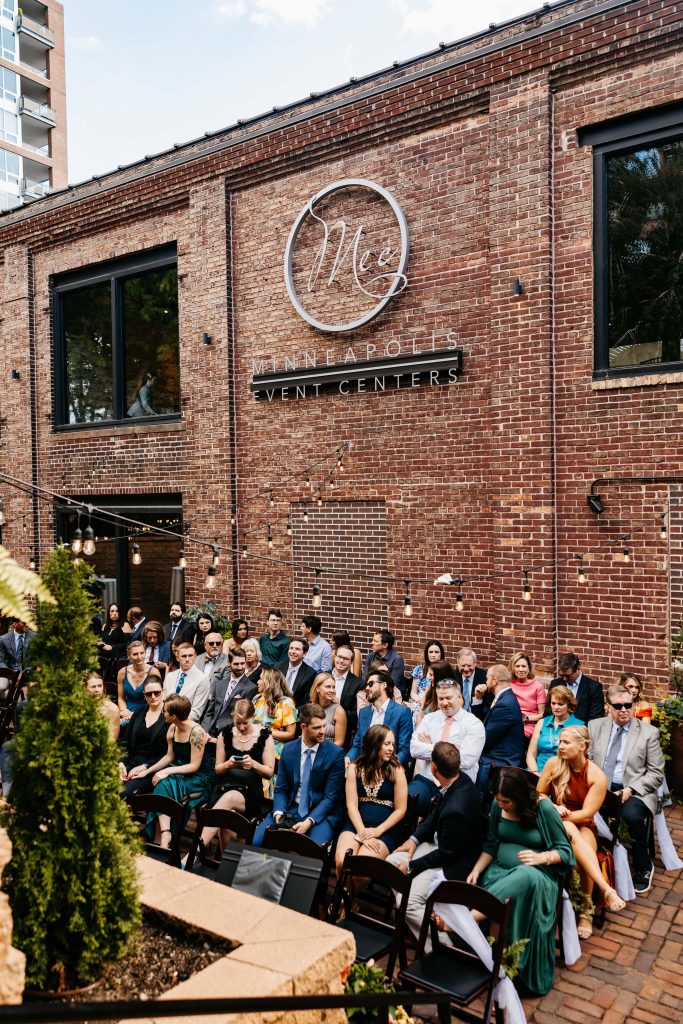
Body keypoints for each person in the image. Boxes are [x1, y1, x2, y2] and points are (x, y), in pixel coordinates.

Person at [466, 768, 575, 996]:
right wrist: (476, 869)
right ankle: (495, 964)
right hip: (499, 872)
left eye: (506, 801)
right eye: (498, 801)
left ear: (519, 796)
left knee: (523, 874)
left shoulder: (543, 809)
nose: (502, 805)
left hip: (538, 876)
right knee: (500, 885)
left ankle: (468, 918)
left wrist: (540, 858)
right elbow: (491, 844)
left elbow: (565, 852)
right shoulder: (498, 806)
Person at [388, 742, 483, 951]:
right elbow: (433, 817)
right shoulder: (460, 780)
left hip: (452, 864)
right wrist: (413, 840)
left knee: (407, 900)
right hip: (438, 848)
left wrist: (412, 866)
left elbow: (445, 855)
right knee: (391, 864)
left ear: (433, 768)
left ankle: (439, 947)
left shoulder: (458, 807)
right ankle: (413, 924)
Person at [538, 724, 626, 937]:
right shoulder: (553, 764)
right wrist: (552, 808)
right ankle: (605, 889)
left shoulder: (596, 775)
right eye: (560, 741)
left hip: (583, 824)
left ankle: (585, 913)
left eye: (566, 742)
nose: (560, 746)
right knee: (568, 828)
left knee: (583, 849)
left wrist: (560, 816)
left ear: (582, 746)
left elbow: (587, 814)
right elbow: (539, 795)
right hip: (553, 822)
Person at [588, 684, 665, 894]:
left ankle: (643, 866)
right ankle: (591, 859)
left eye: (628, 705)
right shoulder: (595, 726)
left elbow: (656, 773)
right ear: (608, 707)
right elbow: (588, 758)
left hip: (636, 789)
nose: (624, 710)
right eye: (618, 705)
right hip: (601, 786)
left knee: (631, 815)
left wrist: (631, 789)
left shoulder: (648, 733)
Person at [253, 702, 346, 846]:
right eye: (317, 728)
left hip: (319, 814)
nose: (323, 731)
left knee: (312, 850)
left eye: (323, 726)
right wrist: (279, 816)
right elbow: (281, 789)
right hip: (290, 808)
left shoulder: (335, 754)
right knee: (258, 841)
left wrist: (309, 822)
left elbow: (331, 797)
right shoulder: (289, 750)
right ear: (303, 727)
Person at [194, 699, 276, 857]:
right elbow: (218, 769)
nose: (242, 727)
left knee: (230, 798)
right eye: (238, 723)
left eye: (246, 722)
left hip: (250, 792)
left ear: (253, 717)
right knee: (227, 818)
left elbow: (269, 772)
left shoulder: (265, 736)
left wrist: (253, 764)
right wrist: (228, 765)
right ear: (233, 717)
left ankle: (197, 849)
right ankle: (226, 863)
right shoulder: (225, 734)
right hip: (224, 786)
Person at [335, 724, 408, 873]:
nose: (391, 749)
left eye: (392, 744)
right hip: (356, 824)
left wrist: (377, 831)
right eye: (386, 744)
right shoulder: (354, 768)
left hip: (384, 829)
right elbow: (351, 805)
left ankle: (345, 896)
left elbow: (401, 810)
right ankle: (346, 896)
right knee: (342, 862)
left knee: (361, 870)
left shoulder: (397, 770)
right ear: (374, 744)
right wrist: (362, 832)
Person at [145, 694, 215, 847]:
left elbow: (194, 766)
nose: (163, 713)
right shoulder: (172, 728)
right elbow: (169, 756)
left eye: (165, 711)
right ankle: (165, 834)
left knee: (164, 784)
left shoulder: (197, 732)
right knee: (163, 785)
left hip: (199, 777)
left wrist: (167, 772)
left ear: (174, 716)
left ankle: (163, 836)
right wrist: (149, 771)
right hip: (179, 770)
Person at [409, 677, 485, 815]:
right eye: (440, 699)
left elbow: (466, 761)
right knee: (407, 799)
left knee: (449, 813)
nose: (444, 703)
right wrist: (447, 749)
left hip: (457, 784)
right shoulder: (429, 719)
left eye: (448, 698)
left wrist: (431, 747)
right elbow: (414, 749)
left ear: (459, 697)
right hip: (427, 779)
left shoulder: (474, 724)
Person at [472, 663, 526, 795]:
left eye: (487, 678)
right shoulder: (503, 698)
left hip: (502, 759)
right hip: (495, 753)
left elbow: (486, 738)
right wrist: (478, 699)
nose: (485, 682)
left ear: (495, 680)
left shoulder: (505, 705)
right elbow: (481, 723)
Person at [348, 669, 413, 766]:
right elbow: (357, 745)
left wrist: (388, 768)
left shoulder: (402, 712)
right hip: (365, 767)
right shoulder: (364, 712)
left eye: (370, 684)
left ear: (384, 685)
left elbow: (405, 750)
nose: (366, 688)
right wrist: (348, 758)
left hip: (391, 768)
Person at [118, 675, 169, 799]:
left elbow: (170, 754)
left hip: (153, 768)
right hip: (131, 762)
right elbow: (126, 743)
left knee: (123, 792)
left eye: (156, 693)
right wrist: (121, 764)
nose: (153, 697)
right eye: (148, 694)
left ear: (163, 691)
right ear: (144, 694)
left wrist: (146, 766)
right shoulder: (139, 712)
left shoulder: (170, 716)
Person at [253, 667, 298, 793]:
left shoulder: (287, 703)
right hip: (255, 744)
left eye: (260, 679)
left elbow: (290, 734)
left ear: (269, 682)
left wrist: (265, 733)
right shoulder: (257, 699)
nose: (257, 682)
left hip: (276, 747)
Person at [200, 647, 258, 744]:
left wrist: (221, 739)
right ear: (229, 663)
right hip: (210, 731)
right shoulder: (219, 684)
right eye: (236, 664)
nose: (240, 667)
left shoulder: (251, 688)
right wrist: (204, 731)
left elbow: (243, 719)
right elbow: (209, 712)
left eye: (242, 663)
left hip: (229, 736)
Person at [526, 685, 583, 774]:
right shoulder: (542, 723)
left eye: (560, 704)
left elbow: (577, 761)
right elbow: (531, 754)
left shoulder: (578, 726)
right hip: (537, 771)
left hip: (562, 774)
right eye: (553, 703)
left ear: (569, 705)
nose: (556, 707)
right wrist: (535, 772)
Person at [547, 652, 605, 724]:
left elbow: (595, 719)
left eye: (568, 676)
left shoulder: (593, 687)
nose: (564, 679)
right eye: (561, 675)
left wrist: (579, 731)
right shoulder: (555, 684)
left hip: (580, 731)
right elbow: (548, 712)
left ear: (578, 668)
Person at [162, 641, 210, 722]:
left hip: (186, 725)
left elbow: (196, 712)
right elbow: (163, 701)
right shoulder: (170, 676)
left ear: (195, 656)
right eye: (184, 656)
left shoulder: (202, 679)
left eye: (190, 656)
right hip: (165, 721)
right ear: (177, 658)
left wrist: (176, 723)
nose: (187, 659)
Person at [117, 639, 162, 724]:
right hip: (127, 712)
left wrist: (134, 714)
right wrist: (124, 711)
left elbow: (158, 697)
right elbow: (121, 697)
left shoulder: (153, 672)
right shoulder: (122, 672)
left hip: (148, 712)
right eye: (135, 654)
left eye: (142, 653)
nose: (139, 657)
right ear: (129, 655)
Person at [509, 652, 547, 739]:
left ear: (529, 668)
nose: (521, 669)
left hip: (530, 724)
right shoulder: (508, 684)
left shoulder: (538, 686)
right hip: (511, 722)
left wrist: (526, 718)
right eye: (517, 666)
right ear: (513, 668)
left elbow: (542, 714)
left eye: (524, 666)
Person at [330, 644, 364, 739]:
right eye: (339, 657)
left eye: (345, 659)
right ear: (335, 657)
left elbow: (356, 715)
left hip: (343, 733)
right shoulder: (321, 675)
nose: (341, 661)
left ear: (351, 662)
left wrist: (339, 707)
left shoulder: (358, 683)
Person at [414, 659, 458, 728]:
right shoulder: (430, 688)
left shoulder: (453, 696)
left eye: (431, 675)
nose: (428, 677)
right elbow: (421, 712)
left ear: (440, 676)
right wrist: (418, 733)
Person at [409, 639, 445, 718]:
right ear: (427, 654)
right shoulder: (419, 669)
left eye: (436, 652)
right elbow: (413, 692)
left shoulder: (444, 670)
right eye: (431, 652)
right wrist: (420, 701)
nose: (433, 655)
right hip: (419, 702)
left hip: (436, 704)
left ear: (441, 654)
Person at [276, 637, 316, 708]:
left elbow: (307, 701)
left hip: (296, 713)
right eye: (291, 648)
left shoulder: (310, 673)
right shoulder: (277, 667)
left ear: (304, 653)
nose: (293, 652)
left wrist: (293, 713)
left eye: (297, 649)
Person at [310, 672, 347, 747]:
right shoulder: (310, 708)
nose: (332, 690)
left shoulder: (339, 711)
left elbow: (339, 742)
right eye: (328, 687)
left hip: (329, 752)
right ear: (317, 688)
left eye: (333, 687)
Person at [85, 673, 120, 742]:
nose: (97, 690)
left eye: (99, 686)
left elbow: (112, 739)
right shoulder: (80, 707)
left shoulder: (112, 708)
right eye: (93, 687)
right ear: (85, 689)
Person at [453, 648, 488, 713]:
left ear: (475, 663)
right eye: (463, 665)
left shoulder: (484, 677)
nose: (466, 669)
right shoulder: (453, 676)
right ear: (458, 663)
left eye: (469, 665)